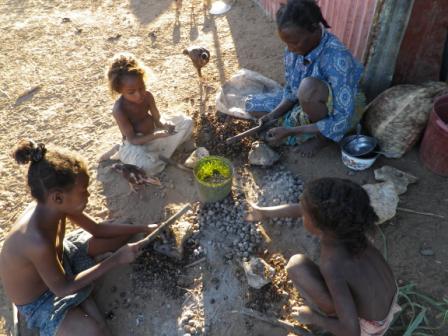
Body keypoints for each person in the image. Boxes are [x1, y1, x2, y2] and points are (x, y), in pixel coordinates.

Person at [0, 140, 159, 336]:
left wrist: (143, 227)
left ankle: (84, 285)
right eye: (83, 192)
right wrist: (116, 259)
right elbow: (63, 288)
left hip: (61, 258)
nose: (89, 195)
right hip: (42, 298)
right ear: (58, 197)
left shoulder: (55, 205)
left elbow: (97, 229)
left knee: (121, 234)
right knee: (93, 331)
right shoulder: (36, 241)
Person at [246, 178, 400, 336]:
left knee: (296, 267)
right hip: (389, 298)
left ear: (318, 225)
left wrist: (314, 318)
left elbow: (351, 331)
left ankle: (327, 321)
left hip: (369, 327)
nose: (301, 211)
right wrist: (263, 212)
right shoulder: (353, 227)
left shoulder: (333, 264)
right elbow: (306, 210)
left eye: (305, 214)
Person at [246, 0, 365, 157]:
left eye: (294, 42)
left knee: (308, 88)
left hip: (341, 112)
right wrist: (274, 114)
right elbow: (291, 90)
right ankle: (296, 124)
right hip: (305, 101)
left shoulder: (337, 58)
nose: (290, 48)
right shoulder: (293, 49)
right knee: (253, 106)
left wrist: (291, 131)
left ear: (314, 28)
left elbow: (342, 116)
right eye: (286, 43)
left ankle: (322, 139)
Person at [101, 52, 193, 175]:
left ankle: (157, 155)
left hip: (154, 133)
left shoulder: (148, 96)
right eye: (131, 92)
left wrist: (166, 125)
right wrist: (158, 135)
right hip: (136, 143)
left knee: (188, 123)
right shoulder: (119, 110)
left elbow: (158, 120)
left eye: (141, 88)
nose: (139, 95)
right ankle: (122, 151)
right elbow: (133, 139)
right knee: (146, 167)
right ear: (119, 90)